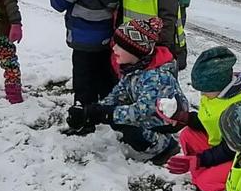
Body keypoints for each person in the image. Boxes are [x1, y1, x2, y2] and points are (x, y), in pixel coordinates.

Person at [67, 17, 187, 164]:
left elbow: (142, 112)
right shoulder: (133, 68)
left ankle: (165, 146)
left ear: (135, 50)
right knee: (117, 117)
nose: (114, 48)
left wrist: (104, 114)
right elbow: (118, 94)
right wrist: (89, 111)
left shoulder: (156, 77)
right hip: (151, 115)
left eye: (119, 46)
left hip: (166, 122)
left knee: (130, 128)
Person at [50, 0, 123, 134]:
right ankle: (110, 112)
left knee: (83, 80)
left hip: (83, 41)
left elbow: (58, 2)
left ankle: (84, 119)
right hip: (107, 37)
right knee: (105, 75)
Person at [164, 47, 241, 191]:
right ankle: (201, 178)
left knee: (208, 182)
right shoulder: (221, 93)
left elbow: (231, 148)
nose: (202, 94)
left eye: (205, 90)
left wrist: (200, 160)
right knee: (187, 135)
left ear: (219, 85)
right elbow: (211, 121)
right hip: (224, 145)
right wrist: (185, 118)